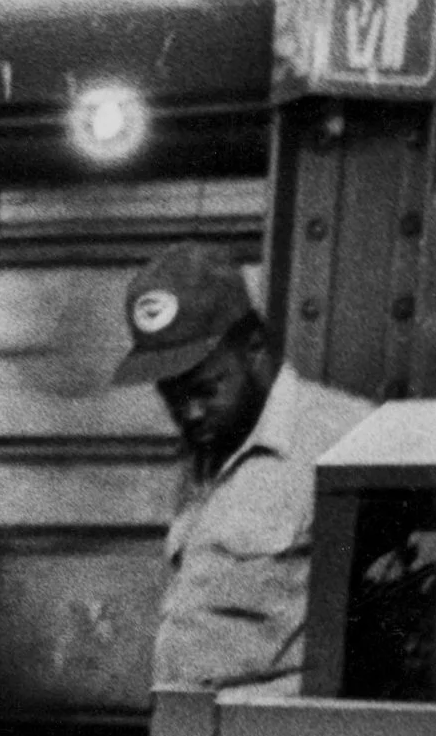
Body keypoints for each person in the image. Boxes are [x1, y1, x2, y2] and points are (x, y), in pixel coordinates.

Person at [117, 245, 372, 696]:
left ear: (255, 347)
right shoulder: (206, 449)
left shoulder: (349, 439)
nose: (189, 413)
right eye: (171, 395)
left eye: (206, 388)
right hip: (189, 731)